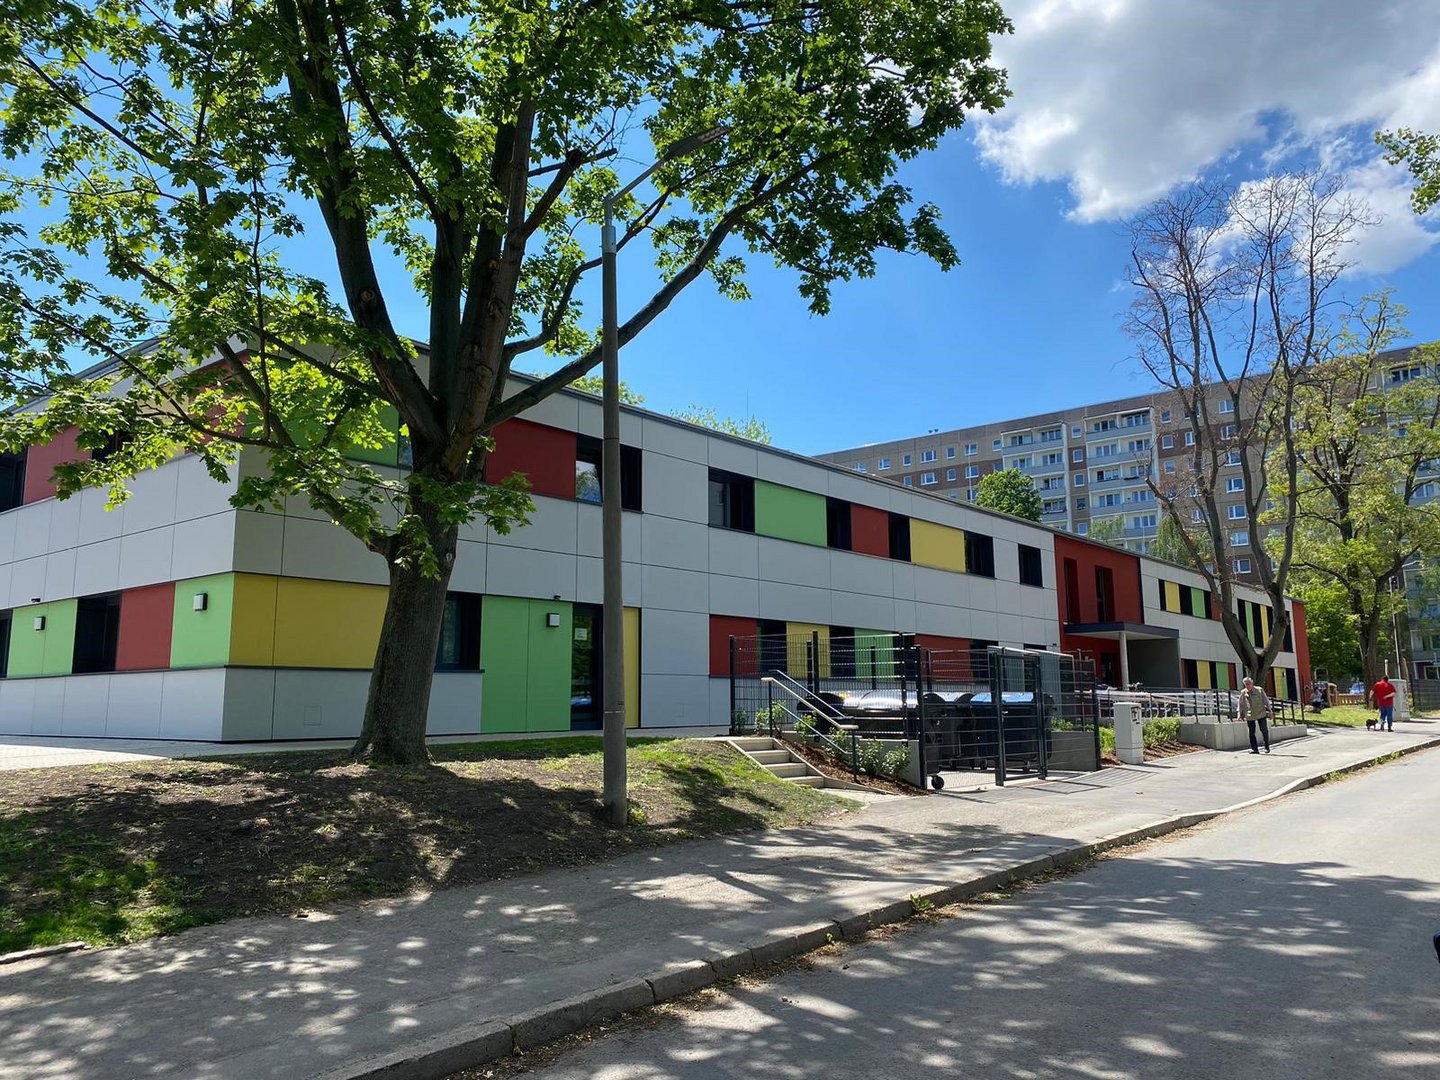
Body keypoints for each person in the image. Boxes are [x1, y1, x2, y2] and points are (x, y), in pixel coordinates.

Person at [1237, 676, 1272, 754]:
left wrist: (1270, 711)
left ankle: (1266, 746)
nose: (1248, 685)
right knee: (1251, 732)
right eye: (1246, 684)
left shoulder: (1259, 690)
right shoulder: (1243, 692)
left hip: (1260, 713)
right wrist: (1239, 714)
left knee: (1264, 730)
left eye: (1249, 683)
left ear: (1252, 683)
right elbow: (1240, 704)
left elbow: (1266, 701)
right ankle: (1255, 749)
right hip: (1250, 714)